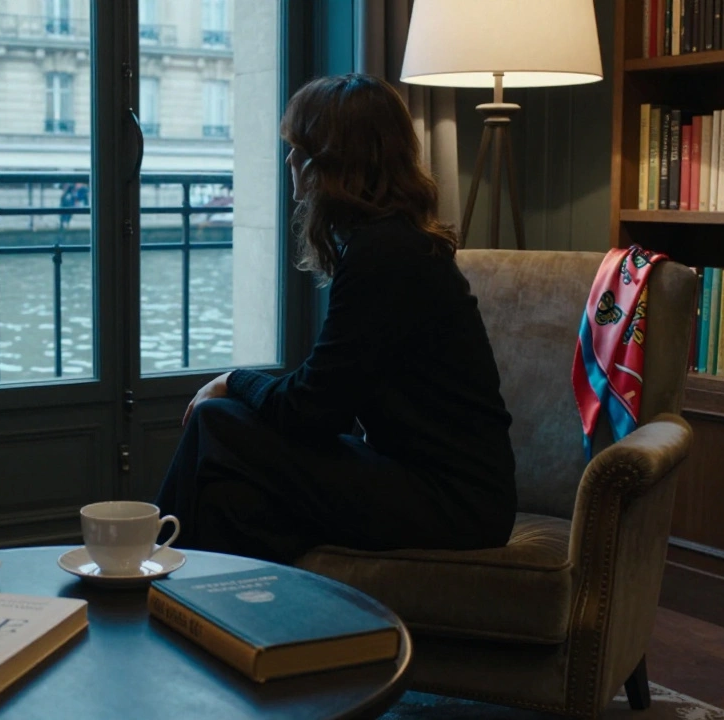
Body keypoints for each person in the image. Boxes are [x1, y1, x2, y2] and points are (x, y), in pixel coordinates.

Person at [155, 74, 516, 565]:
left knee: (218, 421)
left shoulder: (384, 253)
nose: (288, 160)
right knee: (229, 498)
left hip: (455, 504)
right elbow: (330, 399)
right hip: (429, 484)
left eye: (298, 148)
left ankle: (148, 573)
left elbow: (311, 410)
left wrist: (233, 380)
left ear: (331, 159)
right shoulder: (388, 244)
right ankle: (213, 613)